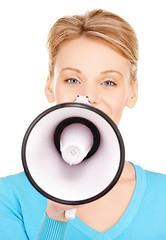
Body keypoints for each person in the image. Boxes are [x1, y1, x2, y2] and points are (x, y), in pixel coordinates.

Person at [0, 9, 166, 240]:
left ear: (132, 93)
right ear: (50, 86)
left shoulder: (162, 196)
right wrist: (55, 217)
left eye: (108, 82)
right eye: (72, 80)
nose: (87, 96)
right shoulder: (9, 196)